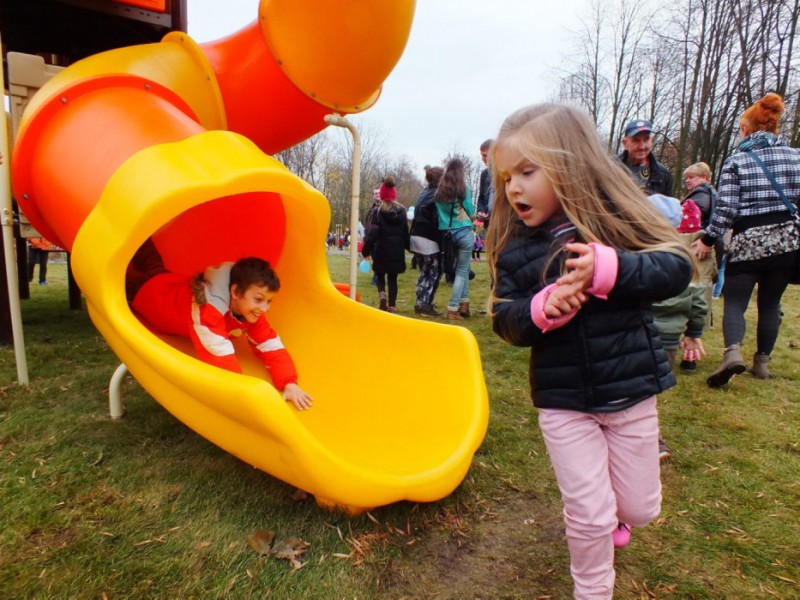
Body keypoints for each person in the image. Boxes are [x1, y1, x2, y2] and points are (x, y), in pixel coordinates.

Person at [487, 103, 693, 599]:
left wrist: (613, 270)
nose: (514, 187)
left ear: (571, 163)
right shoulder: (514, 247)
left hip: (630, 391)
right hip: (564, 401)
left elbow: (675, 267)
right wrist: (539, 310)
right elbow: (505, 320)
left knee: (640, 508)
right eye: (506, 177)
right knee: (588, 512)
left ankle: (619, 516)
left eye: (528, 171)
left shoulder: (616, 219)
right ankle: (593, 589)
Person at [692, 92, 800, 387]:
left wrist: (709, 238)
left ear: (747, 129)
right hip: (787, 244)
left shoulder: (737, 161)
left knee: (736, 301)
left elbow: (726, 208)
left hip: (749, 240)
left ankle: (732, 354)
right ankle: (762, 364)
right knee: (770, 302)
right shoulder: (795, 157)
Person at [126, 240, 313, 411]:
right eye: (259, 299)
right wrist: (246, 397)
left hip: (167, 280)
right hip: (148, 295)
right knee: (122, 271)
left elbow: (270, 345)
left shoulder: (248, 310)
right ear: (235, 291)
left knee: (149, 257)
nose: (264, 308)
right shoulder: (208, 311)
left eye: (269, 301)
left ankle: (138, 237)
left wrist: (289, 383)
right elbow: (220, 358)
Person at [649, 193, 708, 460]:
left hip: (643, 334)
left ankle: (654, 440)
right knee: (649, 392)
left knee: (638, 393)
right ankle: (652, 440)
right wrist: (694, 334)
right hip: (670, 341)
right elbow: (698, 302)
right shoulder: (684, 260)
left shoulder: (640, 257)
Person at [435, 158, 475, 321]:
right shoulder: (463, 189)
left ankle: (465, 305)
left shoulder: (440, 191)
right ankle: (453, 308)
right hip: (464, 231)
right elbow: (471, 210)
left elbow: (440, 214)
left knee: (463, 269)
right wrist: (473, 219)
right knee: (461, 271)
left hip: (448, 233)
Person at [362, 176, 409, 313]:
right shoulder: (402, 212)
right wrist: (409, 247)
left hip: (381, 250)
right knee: (393, 279)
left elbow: (372, 234)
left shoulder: (378, 212)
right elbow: (405, 233)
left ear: (381, 195)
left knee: (380, 274)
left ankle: (382, 294)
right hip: (396, 251)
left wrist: (365, 251)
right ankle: (392, 306)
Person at [681, 162, 719, 331]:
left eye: (692, 177)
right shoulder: (709, 192)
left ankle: (695, 330)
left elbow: (700, 210)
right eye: (686, 178)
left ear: (704, 178)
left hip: (699, 245)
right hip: (709, 244)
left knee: (698, 287)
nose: (688, 181)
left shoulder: (701, 194)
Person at [409, 166, 444, 317]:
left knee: (424, 270)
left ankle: (420, 302)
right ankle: (425, 304)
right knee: (434, 271)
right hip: (428, 238)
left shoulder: (423, 192)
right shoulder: (437, 195)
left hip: (415, 235)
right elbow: (436, 219)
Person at [619, 118, 673, 195]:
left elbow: (667, 205)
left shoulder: (663, 174)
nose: (642, 146)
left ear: (652, 141)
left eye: (646, 139)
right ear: (625, 143)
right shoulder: (610, 169)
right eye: (636, 140)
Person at [476, 139, 494, 227]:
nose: (482, 159)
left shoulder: (505, 173)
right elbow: (481, 198)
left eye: (485, 155)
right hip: (489, 224)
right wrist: (481, 211)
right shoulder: (484, 174)